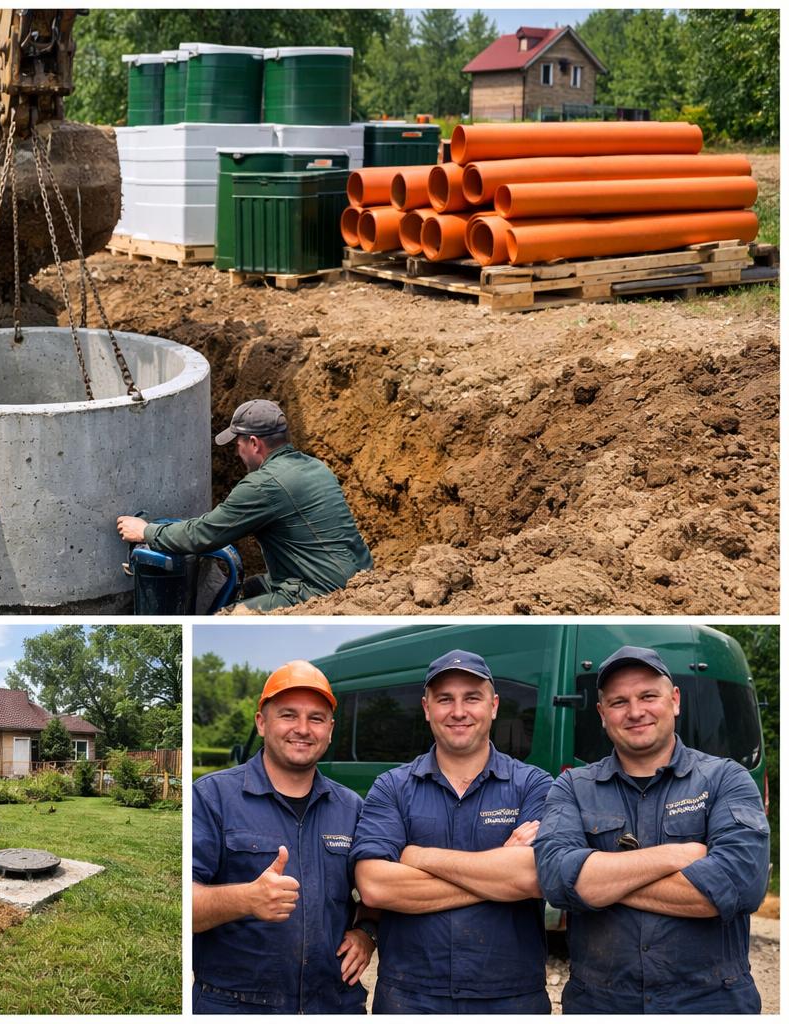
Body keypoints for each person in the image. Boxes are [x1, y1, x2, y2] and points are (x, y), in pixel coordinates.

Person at [534, 645, 769, 1013]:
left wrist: (600, 882)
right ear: (601, 714)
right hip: (600, 1004)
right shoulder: (572, 787)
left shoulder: (728, 779)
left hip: (711, 1003)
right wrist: (675, 855)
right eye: (619, 702)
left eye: (648, 696)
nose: (635, 711)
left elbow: (737, 886)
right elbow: (556, 880)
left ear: (674, 700)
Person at [351, 649, 553, 1014]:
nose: (458, 711)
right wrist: (499, 871)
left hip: (511, 997)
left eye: (471, 698)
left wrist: (417, 856)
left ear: (493, 706)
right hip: (410, 997)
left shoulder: (533, 784)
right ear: (427, 709)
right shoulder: (391, 788)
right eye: (445, 699)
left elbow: (533, 877)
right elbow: (375, 886)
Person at [191, 661, 376, 1014]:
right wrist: (246, 899)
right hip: (236, 1005)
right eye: (288, 715)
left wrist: (368, 933)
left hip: (332, 1004)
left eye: (316, 718)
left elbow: (379, 888)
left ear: (331, 730)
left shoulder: (352, 807)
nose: (303, 729)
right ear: (262, 722)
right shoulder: (213, 798)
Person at [115, 399, 371, 611]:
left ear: (254, 443)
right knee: (247, 588)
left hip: (321, 592)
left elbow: (204, 534)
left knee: (223, 622)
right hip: (359, 578)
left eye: (238, 444)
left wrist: (146, 531)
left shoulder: (263, 486)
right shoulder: (315, 466)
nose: (237, 452)